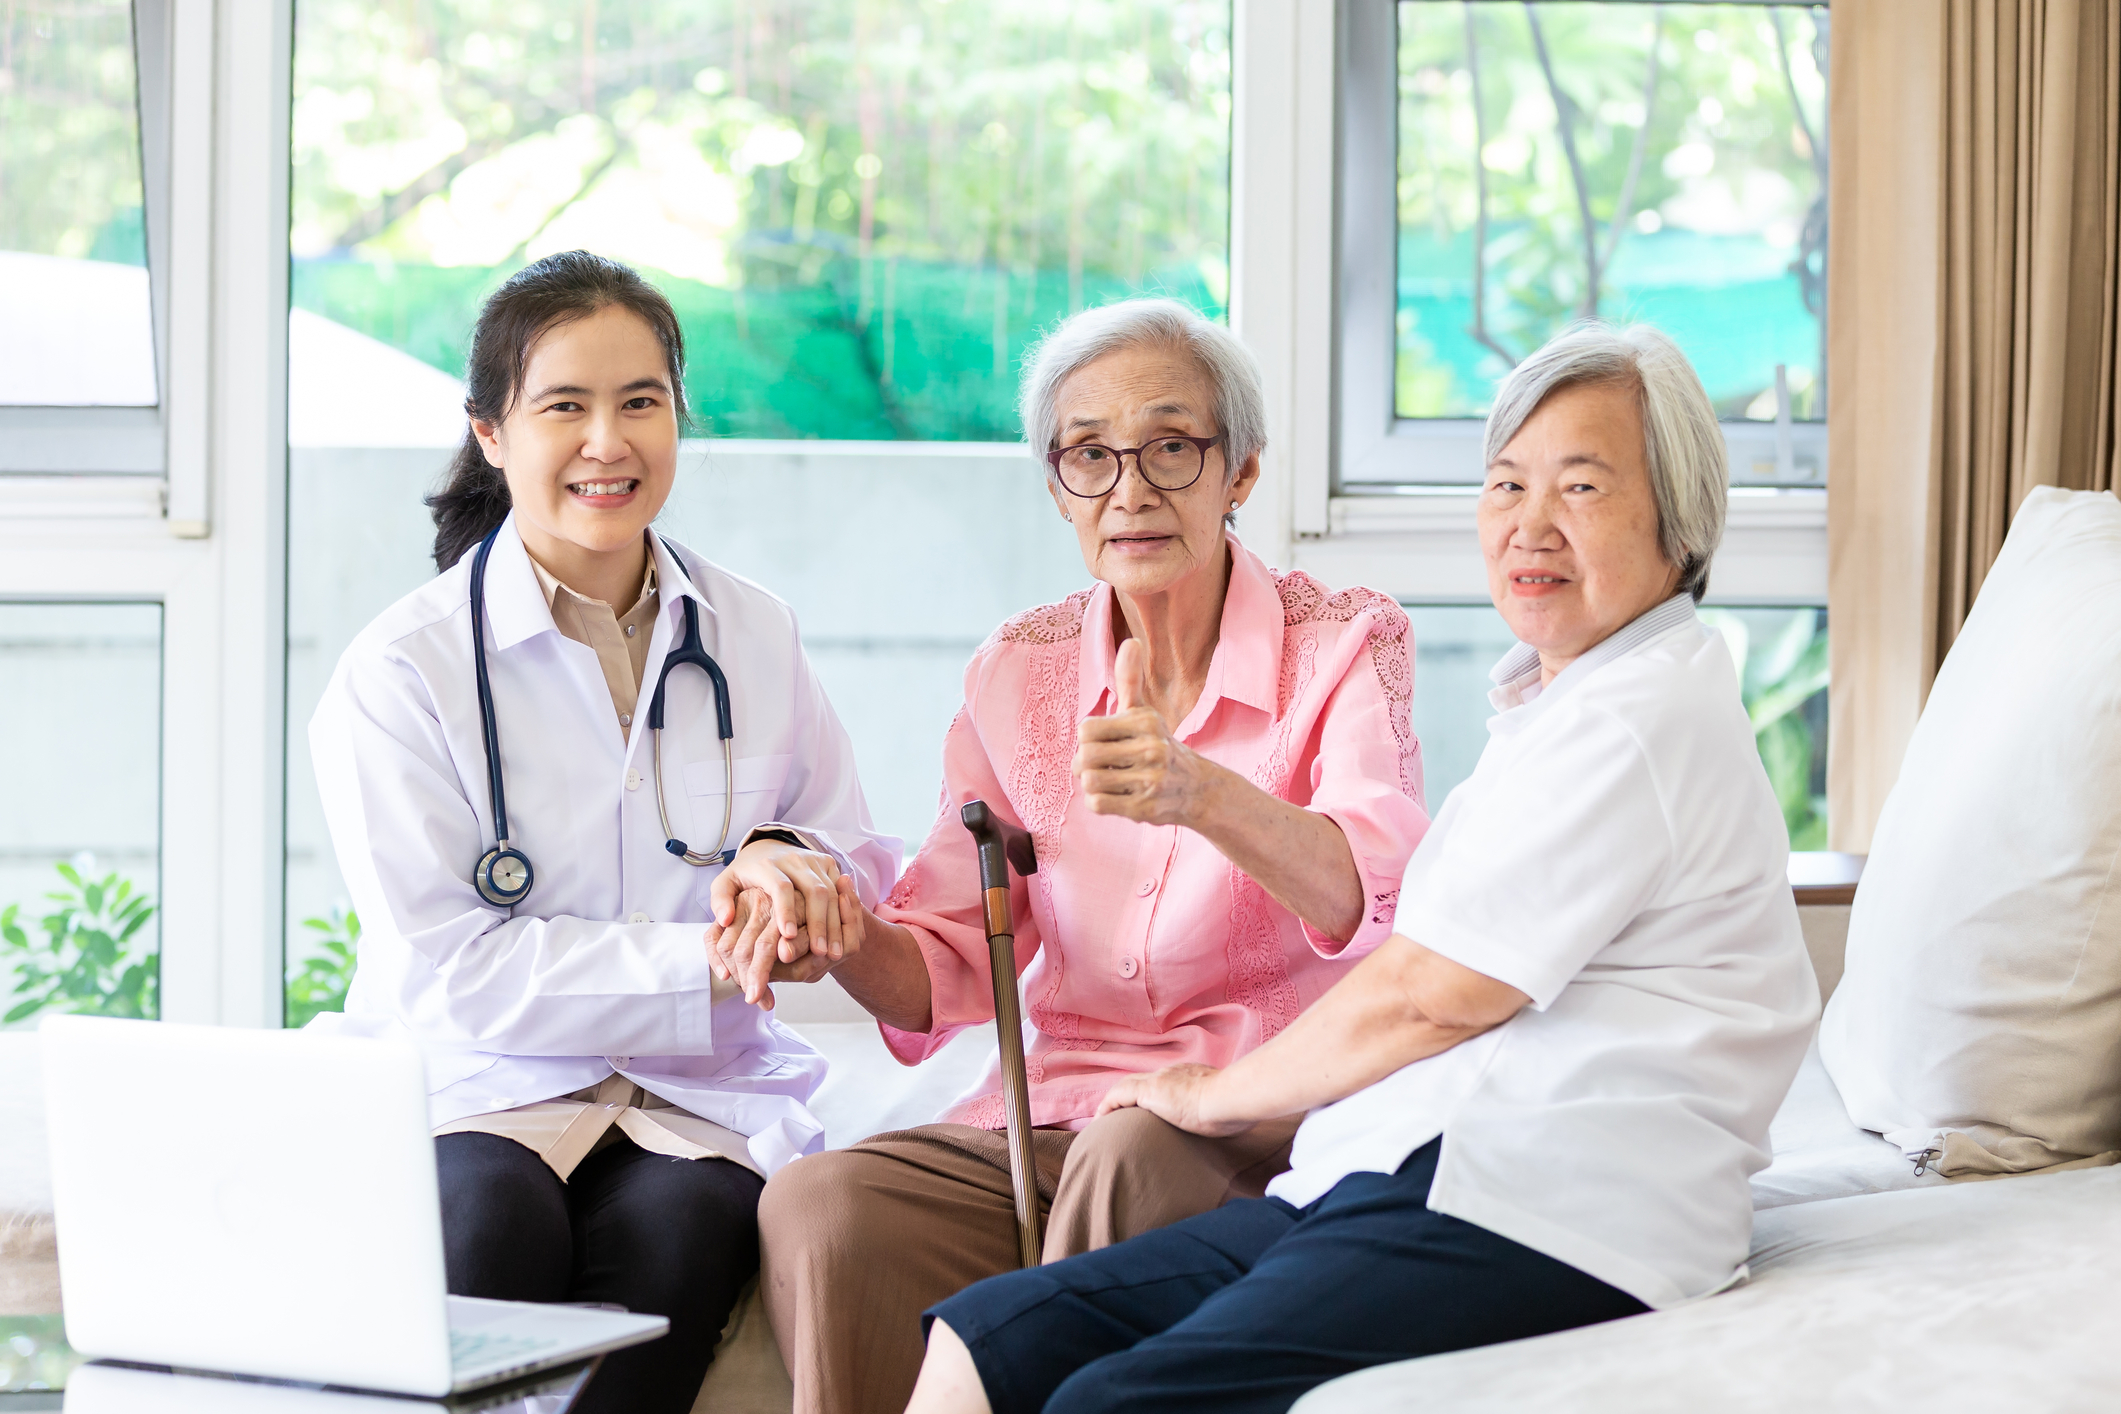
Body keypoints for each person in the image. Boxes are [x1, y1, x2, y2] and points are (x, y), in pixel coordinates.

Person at [899, 322, 1822, 1414]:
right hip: (1412, 1162)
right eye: (1506, 483)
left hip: (1549, 1199)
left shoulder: (1634, 720)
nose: (1531, 526)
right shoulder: (1569, 702)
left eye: (1581, 487)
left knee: (1110, 1398)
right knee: (994, 1332)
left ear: (1678, 516)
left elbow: (1429, 993)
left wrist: (1213, 1092)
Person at [715, 297, 1429, 1414]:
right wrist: (842, 938)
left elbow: (1370, 893)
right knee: (819, 1202)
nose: (1129, 489)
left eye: (1171, 448)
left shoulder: (1341, 642)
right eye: (1090, 455)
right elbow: (950, 961)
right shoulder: (1018, 670)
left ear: (1239, 471)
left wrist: (1200, 791)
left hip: (1261, 1107)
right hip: (1055, 1112)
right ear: (1056, 485)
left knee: (1129, 1155)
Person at [306, 250, 898, 1414]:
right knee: (491, 1216)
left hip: (694, 1094)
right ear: (489, 430)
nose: (607, 442)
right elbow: (458, 964)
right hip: (479, 1082)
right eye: (564, 406)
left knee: (682, 1229)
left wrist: (792, 862)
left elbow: (849, 849)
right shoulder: (402, 671)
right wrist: (714, 950)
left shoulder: (751, 632)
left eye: (641, 402)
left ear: (680, 413)